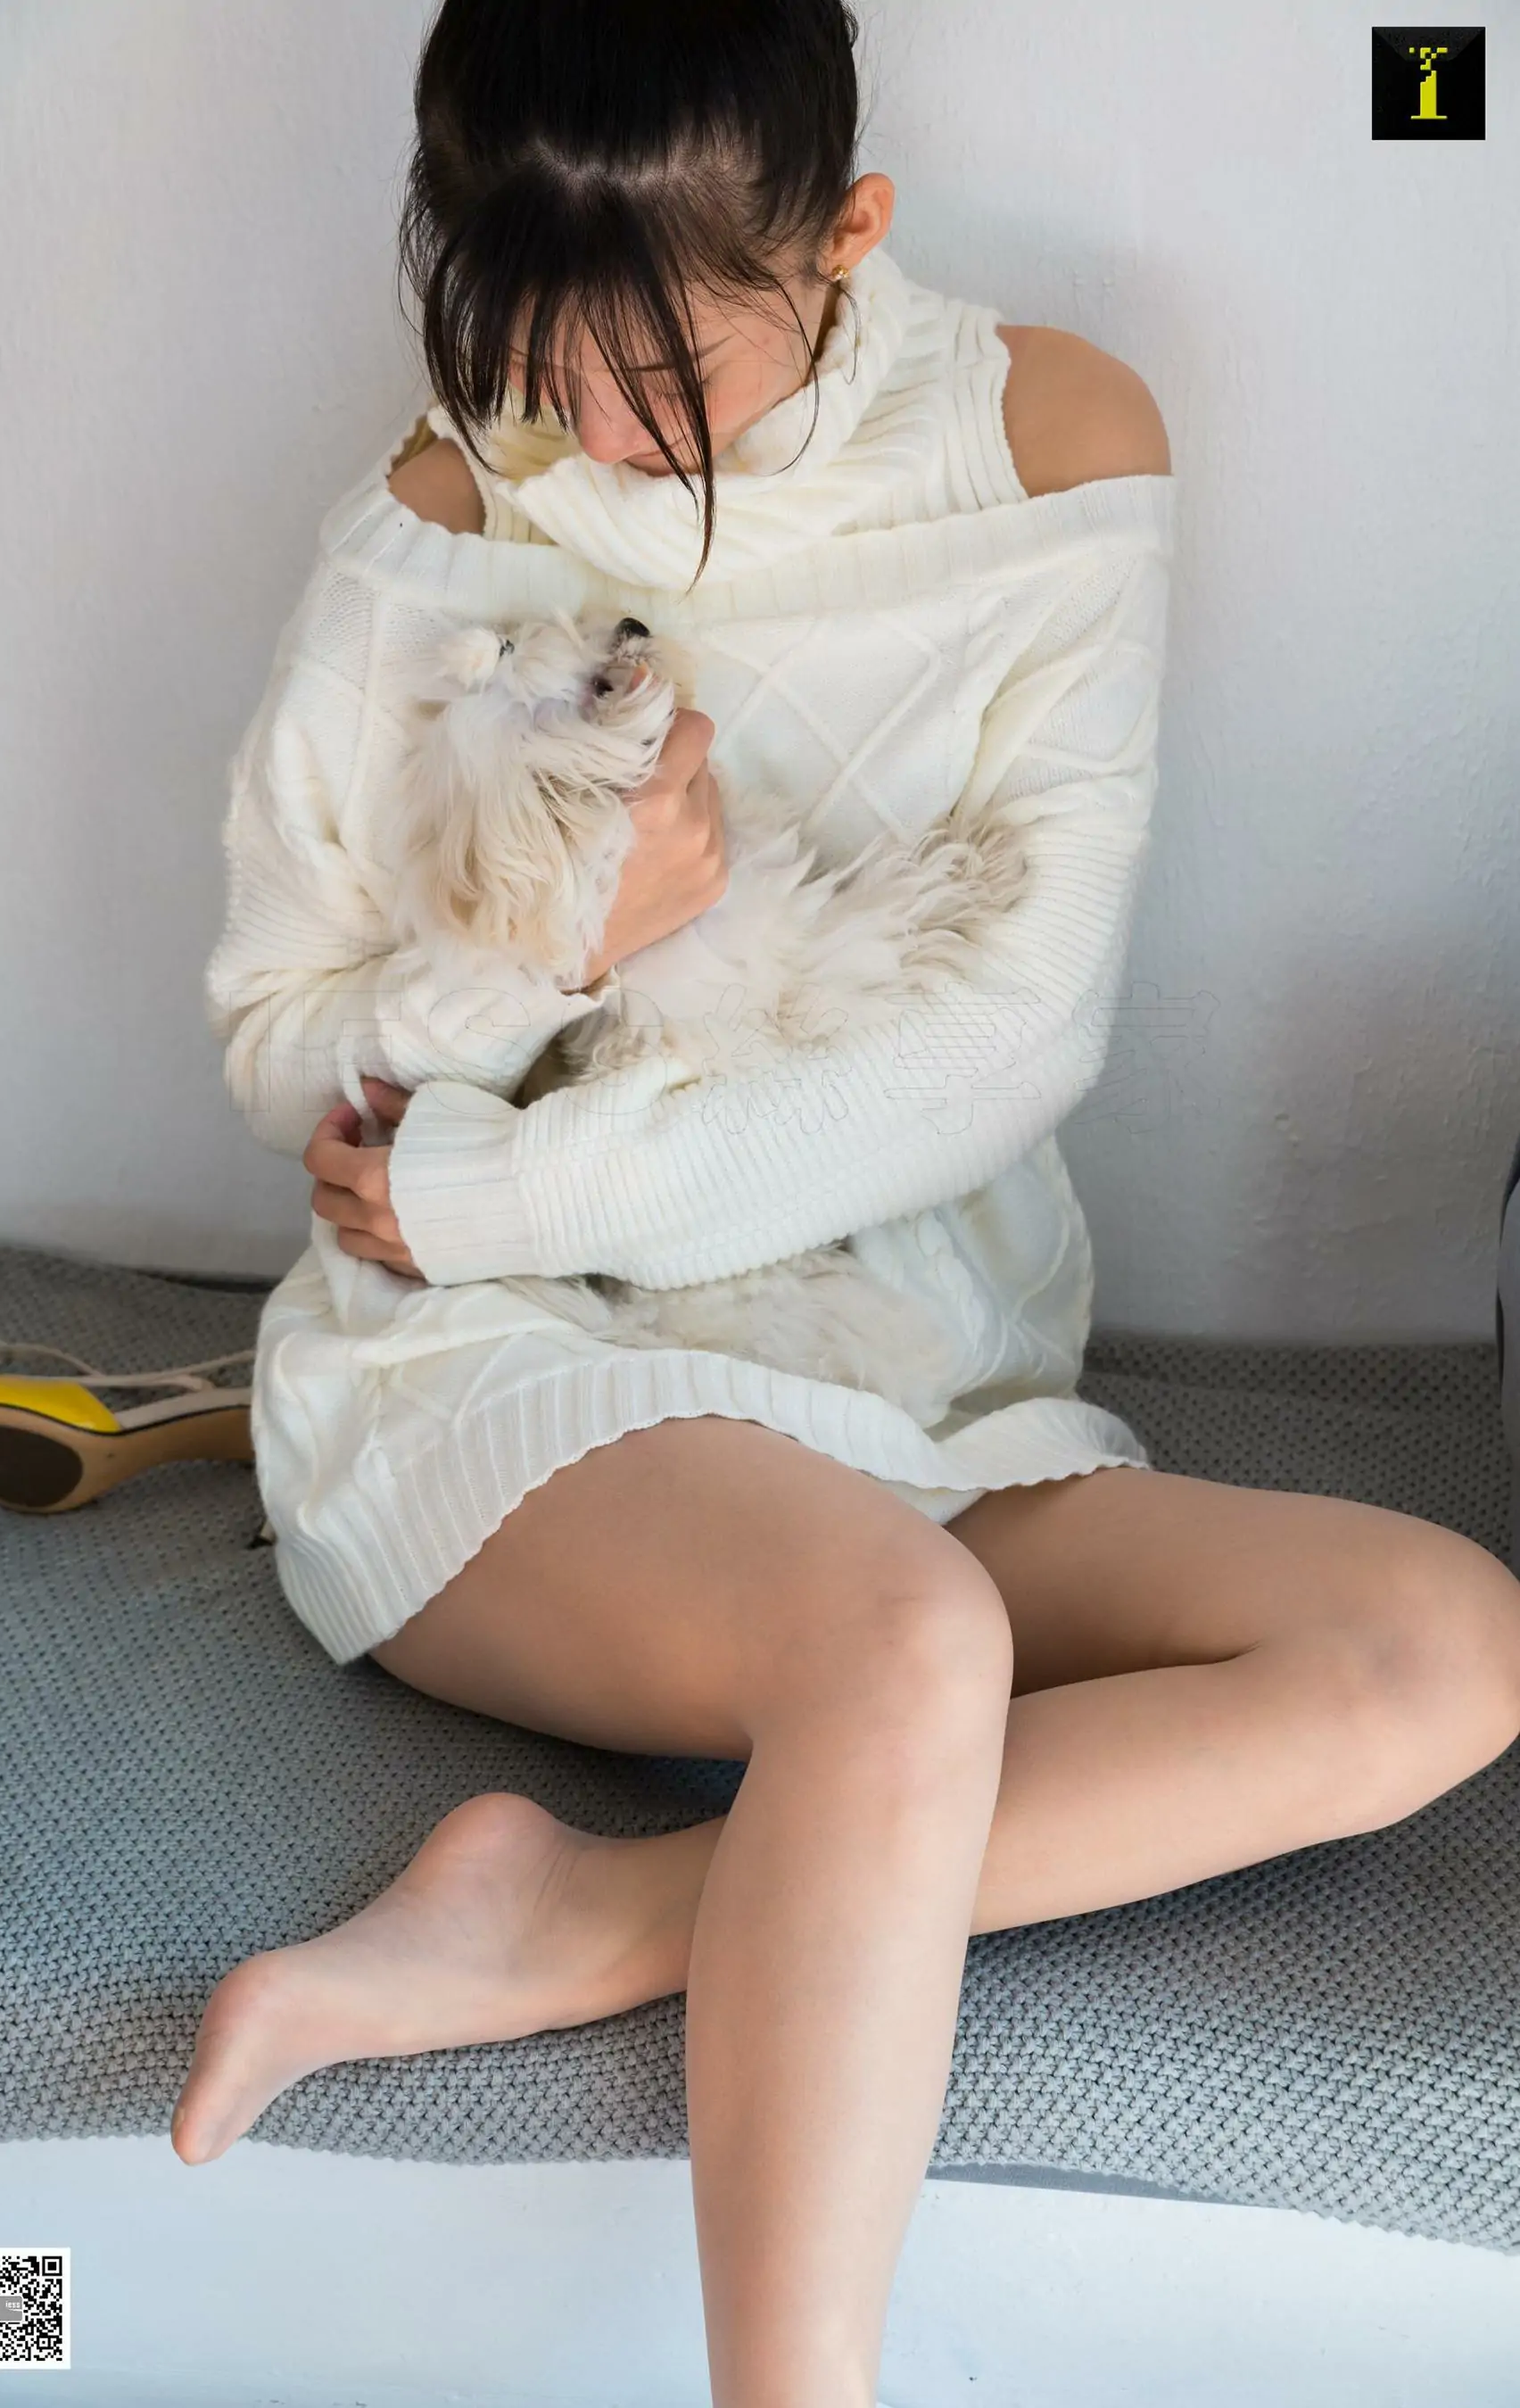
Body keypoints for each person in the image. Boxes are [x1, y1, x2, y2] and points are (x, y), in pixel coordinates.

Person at [175, 4, 1520, 2398]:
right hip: (516, 1361)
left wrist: (505, 1177)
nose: (591, 434)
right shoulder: (451, 503)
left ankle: (594, 1911)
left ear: (851, 236)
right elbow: (290, 1043)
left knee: (1445, 1649)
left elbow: (1006, 1046)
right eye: (532, 356)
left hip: (893, 1358)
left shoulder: (1058, 447)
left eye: (659, 369)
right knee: (904, 1649)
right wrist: (546, 960)